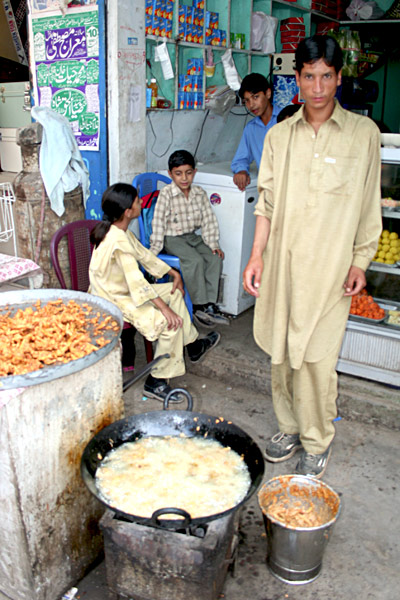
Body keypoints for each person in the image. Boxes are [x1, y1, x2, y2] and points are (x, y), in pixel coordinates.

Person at [243, 35, 382, 479]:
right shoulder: (279, 136)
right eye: (308, 77)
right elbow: (264, 204)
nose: (317, 87)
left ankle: (317, 438)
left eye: (326, 76)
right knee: (281, 354)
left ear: (339, 79)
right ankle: (288, 427)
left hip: (331, 271)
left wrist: (360, 260)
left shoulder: (364, 135)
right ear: (297, 80)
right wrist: (256, 256)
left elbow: (368, 203)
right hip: (283, 266)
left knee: (319, 360)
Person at [89, 183, 220, 402]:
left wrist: (173, 273)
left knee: (174, 291)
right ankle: (156, 382)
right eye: (138, 201)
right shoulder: (117, 241)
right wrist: (164, 309)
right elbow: (137, 282)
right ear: (127, 212)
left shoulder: (119, 231)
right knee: (168, 323)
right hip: (113, 298)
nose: (142, 202)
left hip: (126, 291)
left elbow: (145, 256)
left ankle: (192, 344)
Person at [149, 149, 230, 329]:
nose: (184, 178)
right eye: (178, 174)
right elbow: (158, 223)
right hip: (172, 238)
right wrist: (153, 252)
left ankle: (209, 304)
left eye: (188, 173)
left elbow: (209, 220)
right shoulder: (166, 194)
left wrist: (213, 244)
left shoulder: (199, 193)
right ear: (170, 174)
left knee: (214, 257)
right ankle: (199, 305)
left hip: (192, 237)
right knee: (194, 261)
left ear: (194, 172)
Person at [231, 73, 280, 191]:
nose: (251, 105)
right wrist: (241, 171)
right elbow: (241, 158)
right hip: (267, 190)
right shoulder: (251, 129)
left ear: (268, 93)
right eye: (246, 100)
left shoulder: (286, 120)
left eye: (255, 97)